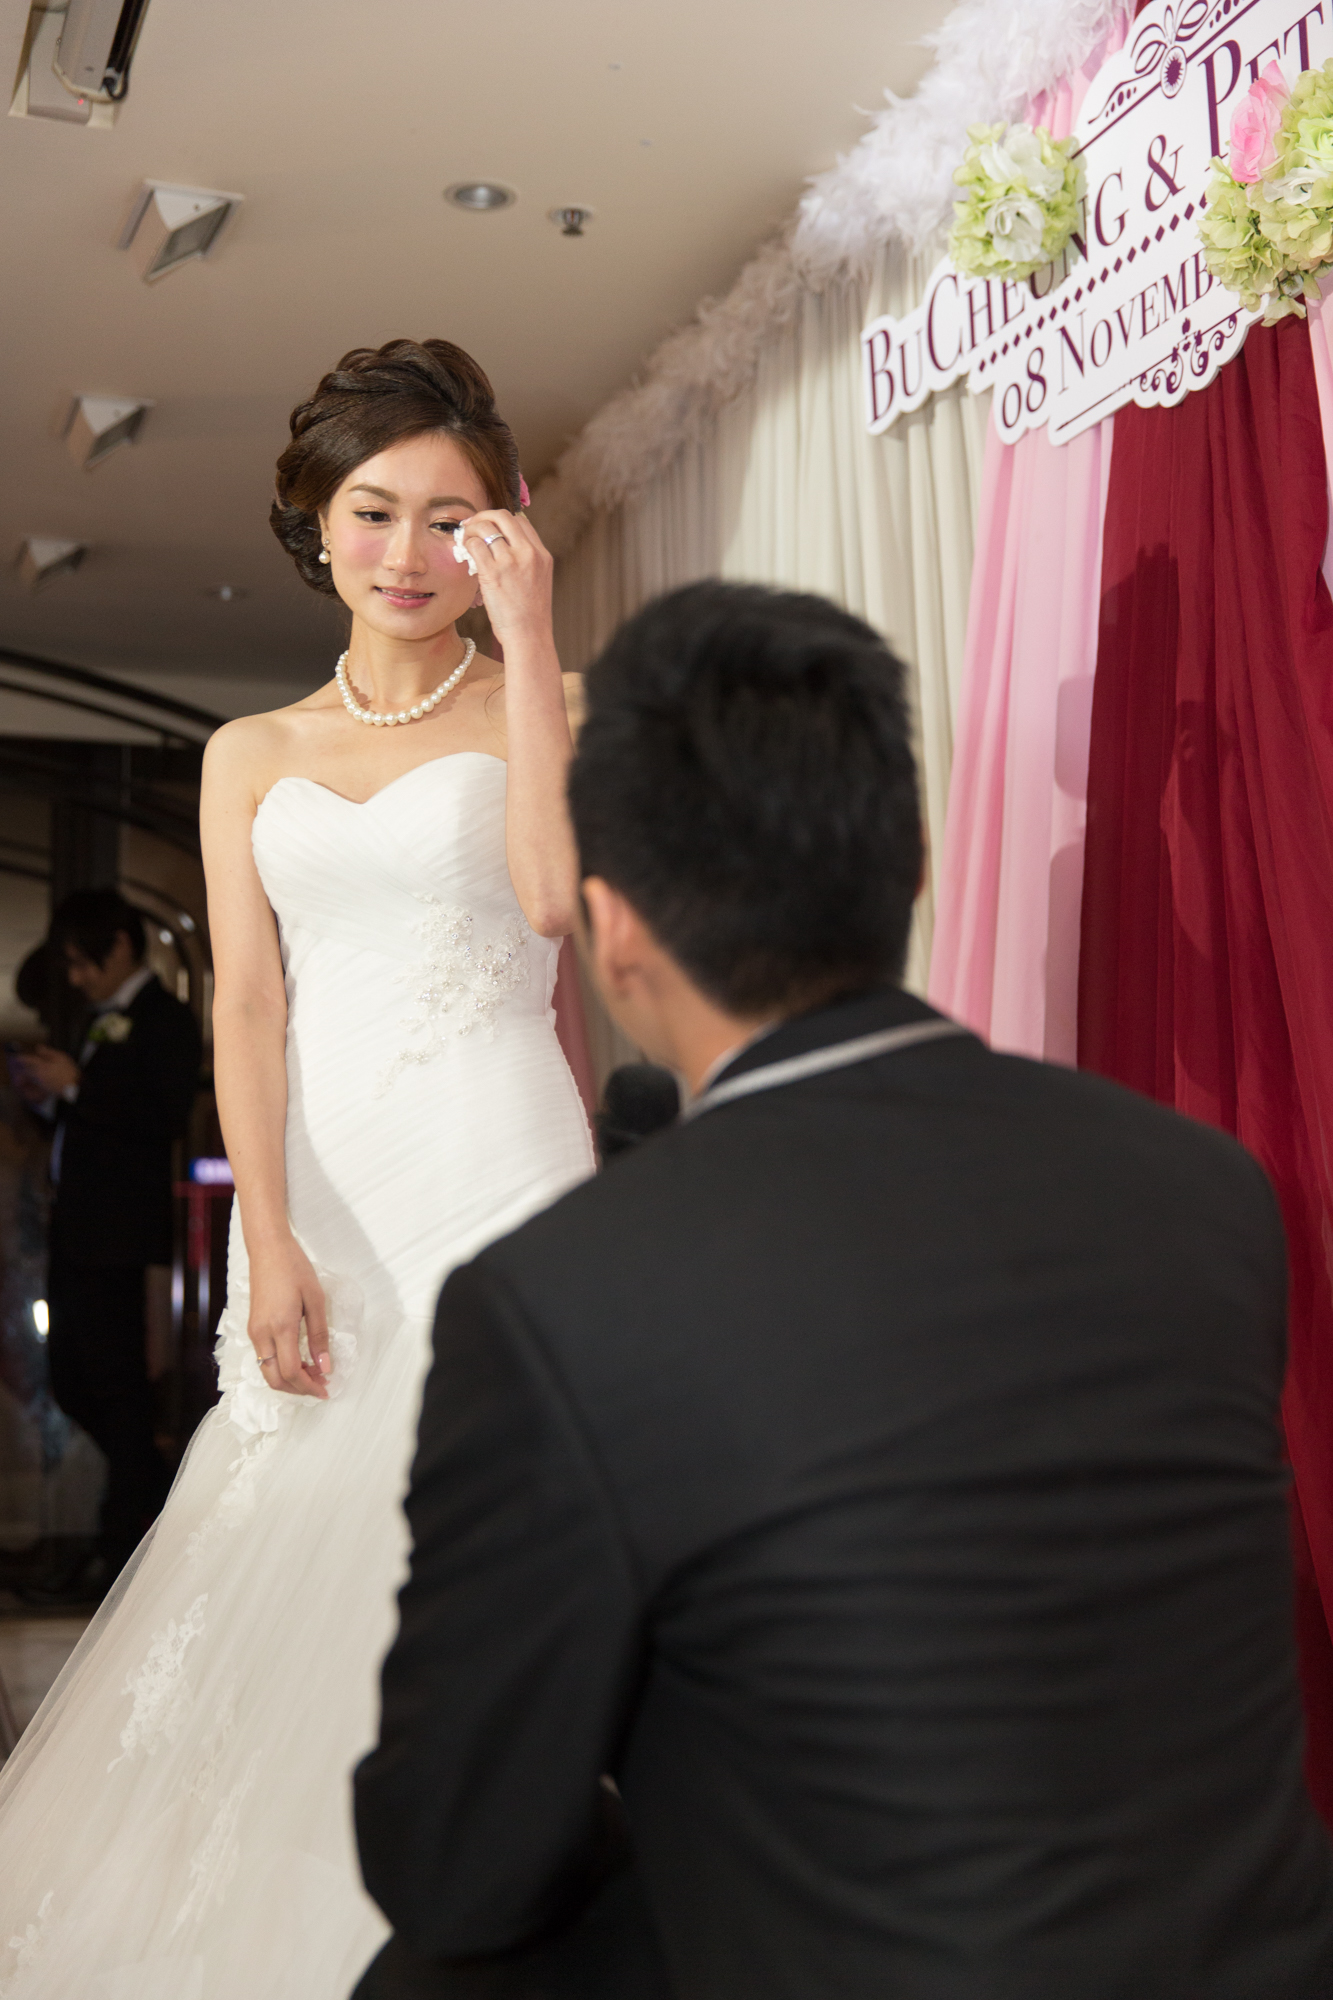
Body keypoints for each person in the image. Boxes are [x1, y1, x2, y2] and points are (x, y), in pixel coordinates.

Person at [354, 580, 1333, 2000]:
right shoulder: (1203, 1192)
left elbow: (455, 1853)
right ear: (910, 866)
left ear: (612, 927)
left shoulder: (563, 1294)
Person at [0, 338, 593, 1997]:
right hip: (329, 1185)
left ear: (499, 529)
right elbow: (248, 1010)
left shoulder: (549, 702)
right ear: (316, 522)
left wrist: (534, 640)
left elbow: (553, 907)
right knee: (297, 1520)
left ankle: (470, 1900)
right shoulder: (248, 751)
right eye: (373, 511)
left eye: (448, 519)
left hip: (501, 1153)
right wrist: (267, 1236)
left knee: (471, 1524)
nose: (407, 553)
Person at [14, 889, 200, 1602]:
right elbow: (90, 1118)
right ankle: (139, 1501)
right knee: (72, 1379)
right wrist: (51, 1098)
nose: (76, 977)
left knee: (117, 1387)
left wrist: (79, 1086)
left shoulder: (164, 1018)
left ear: (119, 945)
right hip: (78, 1230)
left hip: (120, 1235)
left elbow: (162, 1115)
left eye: (81, 960)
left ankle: (126, 1540)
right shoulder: (96, 1019)